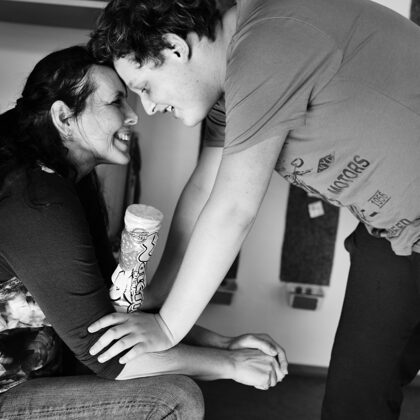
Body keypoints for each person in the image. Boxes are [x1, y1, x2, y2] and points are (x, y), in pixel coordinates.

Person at [88, 0, 420, 418]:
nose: (148, 107)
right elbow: (204, 190)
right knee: (354, 403)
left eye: (144, 87)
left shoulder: (268, 41)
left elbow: (233, 208)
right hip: (396, 235)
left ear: (175, 48)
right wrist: (160, 295)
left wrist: (168, 328)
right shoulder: (231, 83)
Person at [0, 45, 288, 419]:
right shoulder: (36, 199)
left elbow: (116, 310)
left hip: (40, 374)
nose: (133, 114)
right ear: (63, 118)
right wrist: (230, 365)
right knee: (174, 397)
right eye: (115, 102)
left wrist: (224, 344)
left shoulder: (66, 185)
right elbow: (108, 355)